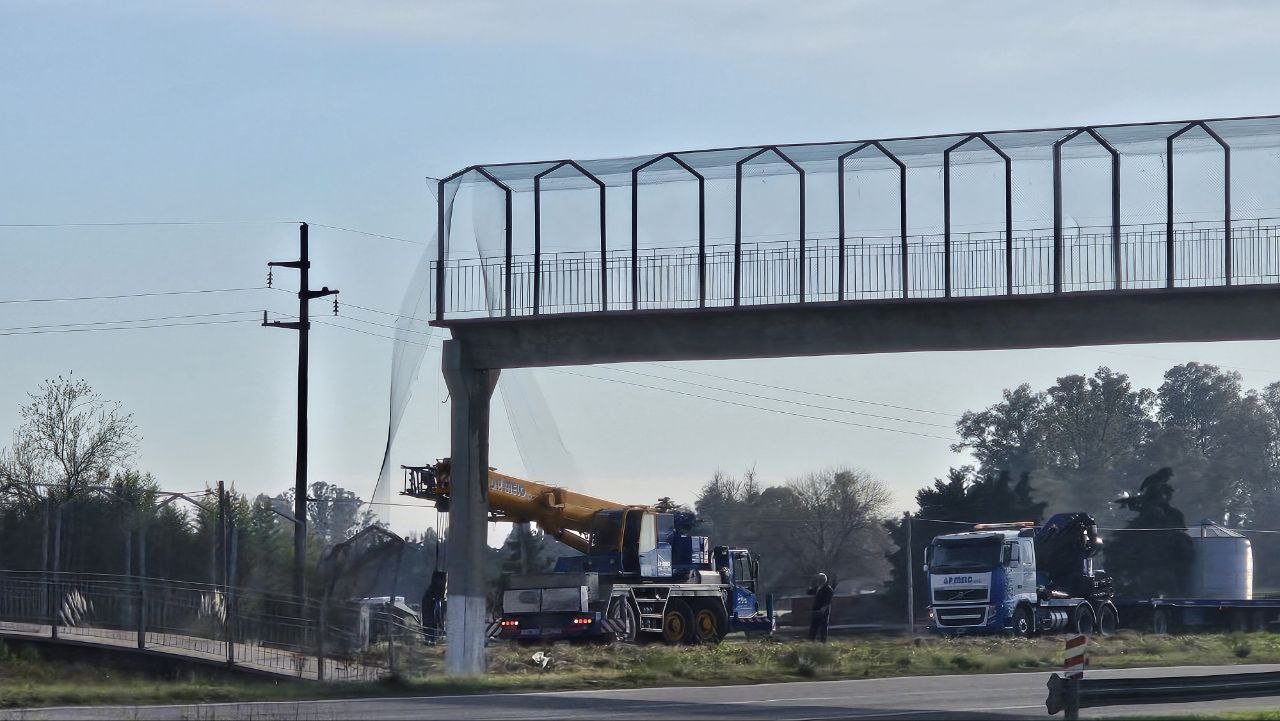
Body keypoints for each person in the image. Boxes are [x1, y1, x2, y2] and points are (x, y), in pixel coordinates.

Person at [807, 572, 834, 642]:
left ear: (824, 580)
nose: (819, 580)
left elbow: (828, 600)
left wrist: (824, 608)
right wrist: (811, 585)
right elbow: (809, 592)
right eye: (819, 579)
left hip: (823, 610)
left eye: (820, 579)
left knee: (823, 626)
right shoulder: (818, 587)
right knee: (814, 625)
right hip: (816, 609)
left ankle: (823, 641)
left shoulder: (828, 589)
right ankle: (811, 640)